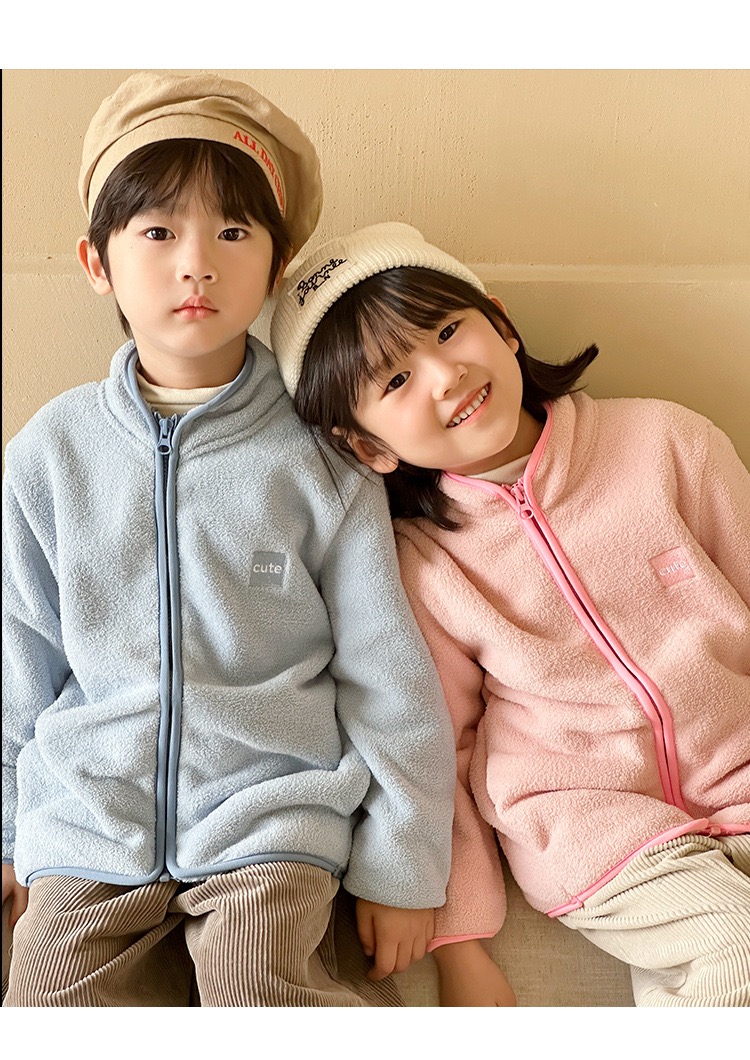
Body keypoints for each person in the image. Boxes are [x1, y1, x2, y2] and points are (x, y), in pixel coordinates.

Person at [1, 80, 456, 1008]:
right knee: (45, 1005)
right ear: (97, 262)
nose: (196, 265)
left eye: (234, 232)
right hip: (89, 824)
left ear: (278, 263)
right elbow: (18, 661)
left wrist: (405, 864)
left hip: (270, 822)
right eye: (158, 232)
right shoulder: (51, 452)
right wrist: (9, 835)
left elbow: (388, 673)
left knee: (257, 989)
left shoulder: (320, 453)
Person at [270, 221, 750, 1008]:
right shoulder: (423, 566)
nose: (444, 375)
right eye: (395, 380)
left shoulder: (669, 444)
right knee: (737, 948)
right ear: (365, 447)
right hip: (596, 832)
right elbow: (440, 746)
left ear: (501, 322)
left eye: (447, 331)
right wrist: (461, 939)